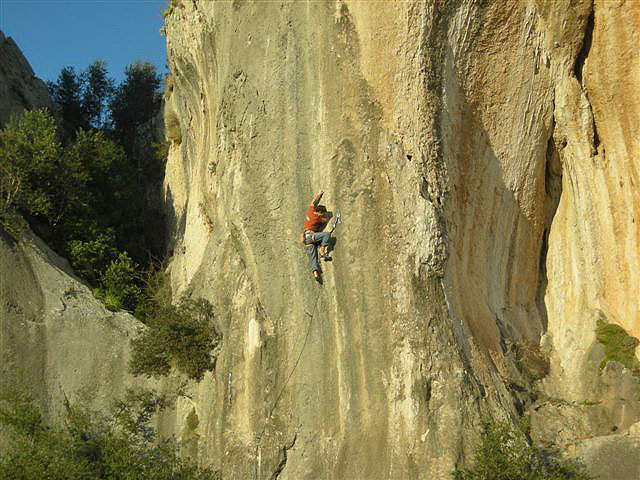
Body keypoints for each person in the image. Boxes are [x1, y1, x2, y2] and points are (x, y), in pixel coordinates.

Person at [303, 190, 332, 281]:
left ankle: (315, 273)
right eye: (322, 213)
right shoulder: (318, 217)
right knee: (326, 235)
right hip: (311, 236)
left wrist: (319, 194)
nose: (322, 215)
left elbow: (313, 202)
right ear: (319, 212)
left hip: (306, 238)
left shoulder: (310, 211)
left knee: (312, 256)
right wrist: (325, 216)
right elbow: (326, 220)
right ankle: (322, 250)